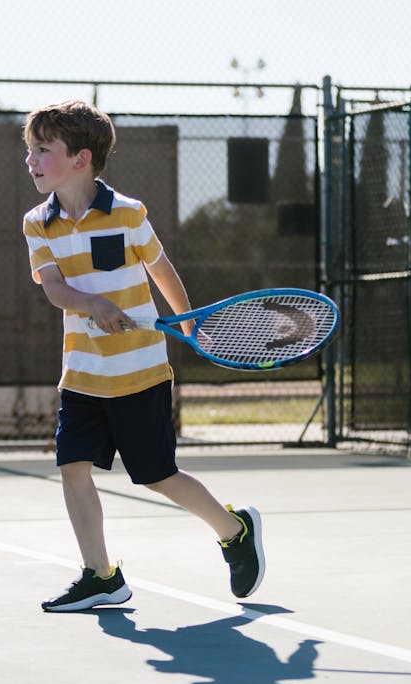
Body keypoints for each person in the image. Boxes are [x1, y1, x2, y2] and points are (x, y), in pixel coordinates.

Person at [20, 99, 265, 612]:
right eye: (30, 150)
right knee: (72, 466)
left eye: (43, 150)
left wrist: (189, 320)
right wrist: (92, 304)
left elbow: (162, 270)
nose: (32, 159)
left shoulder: (129, 215)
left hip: (140, 372)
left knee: (156, 475)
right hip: (83, 373)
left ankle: (234, 529)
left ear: (81, 158)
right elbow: (56, 290)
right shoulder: (37, 225)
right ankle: (101, 575)